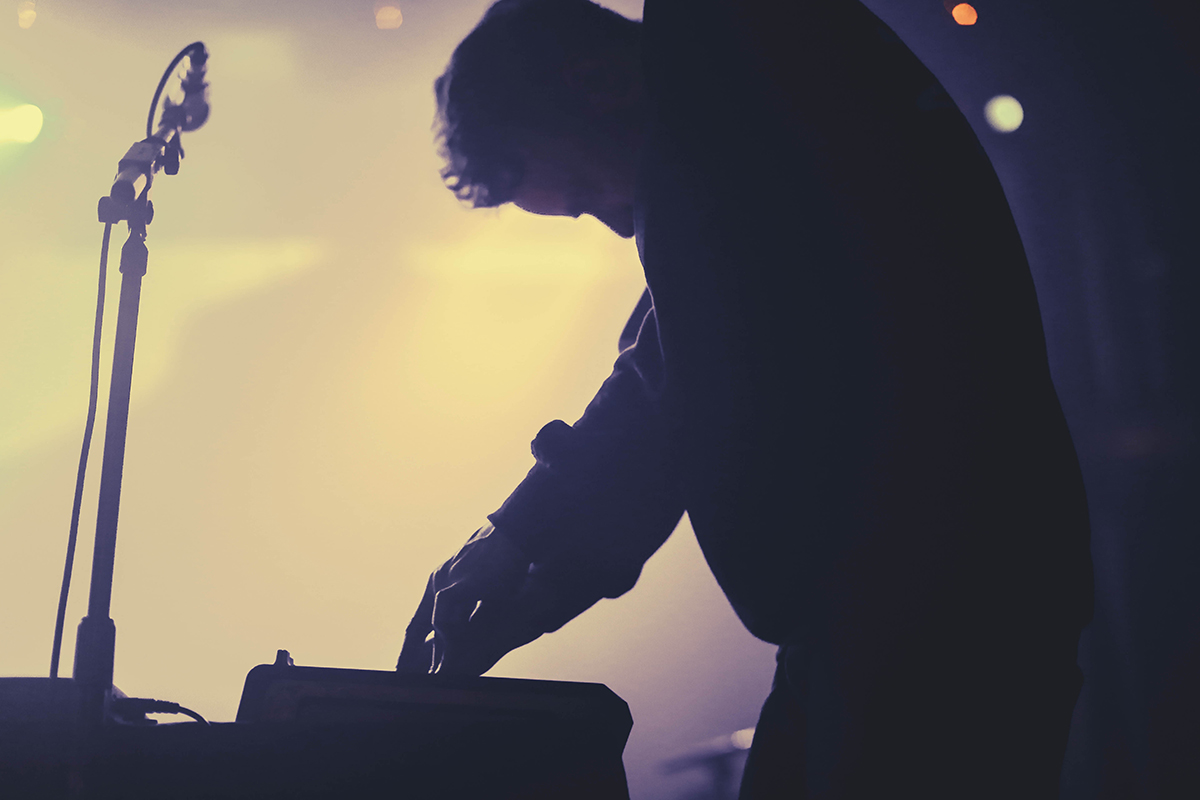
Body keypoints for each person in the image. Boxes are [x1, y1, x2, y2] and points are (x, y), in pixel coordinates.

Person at [397, 1, 1094, 796]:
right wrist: (523, 546)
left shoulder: (745, 80)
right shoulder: (752, 110)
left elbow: (673, 380)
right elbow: (680, 362)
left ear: (596, 82)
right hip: (902, 603)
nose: (618, 228)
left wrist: (526, 547)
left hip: (934, 609)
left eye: (588, 192)